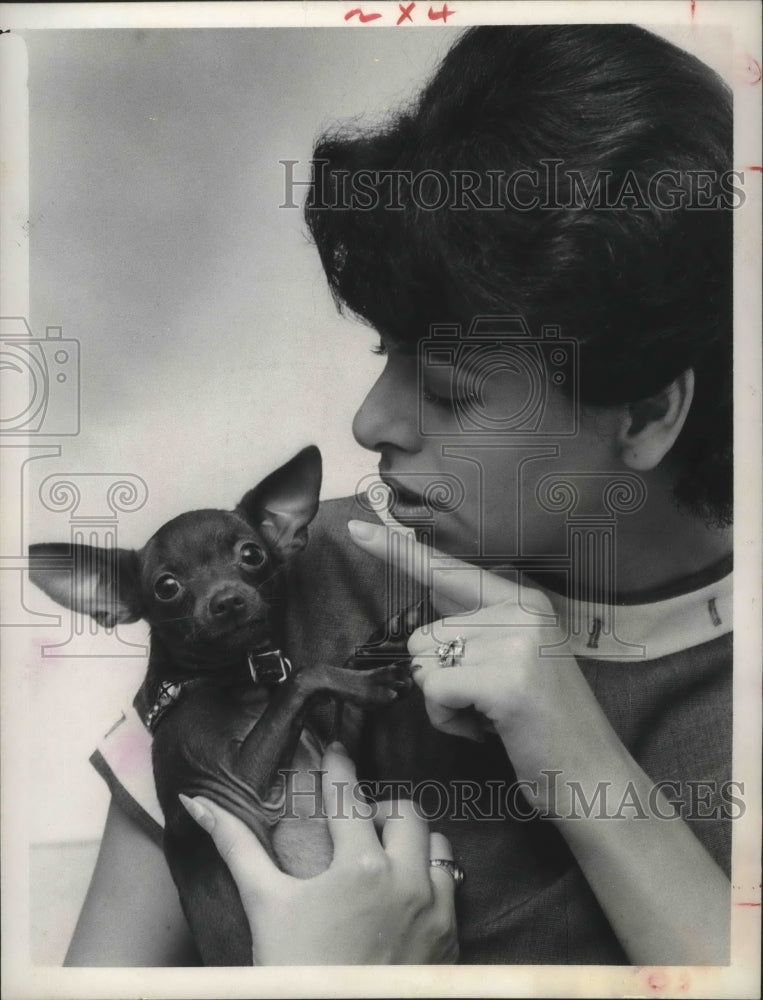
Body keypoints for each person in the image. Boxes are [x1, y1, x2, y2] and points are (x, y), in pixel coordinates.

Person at [65, 24, 734, 966]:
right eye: (388, 358)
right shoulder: (283, 587)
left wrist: (579, 762)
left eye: (452, 391)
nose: (369, 423)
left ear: (646, 412)